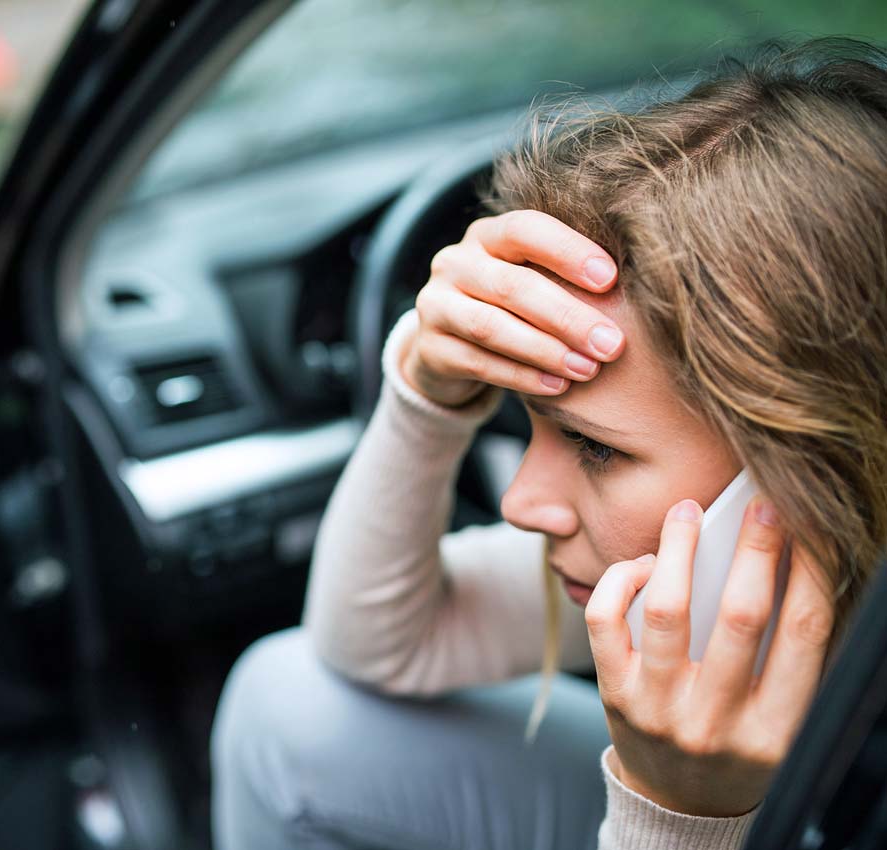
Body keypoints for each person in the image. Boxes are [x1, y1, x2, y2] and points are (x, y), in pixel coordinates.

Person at [210, 37, 887, 850]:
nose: (518, 502)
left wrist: (672, 821)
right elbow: (382, 644)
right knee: (288, 702)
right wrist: (425, 388)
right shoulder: (696, 581)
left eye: (596, 449)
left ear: (821, 467)